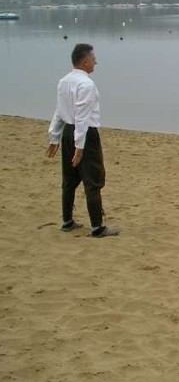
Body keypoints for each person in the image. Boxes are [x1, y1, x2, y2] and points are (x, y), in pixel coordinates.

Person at [46, 43, 119, 238]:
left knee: (69, 180)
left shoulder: (64, 81)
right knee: (93, 181)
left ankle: (67, 221)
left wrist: (55, 136)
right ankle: (97, 227)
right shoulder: (86, 84)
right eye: (93, 59)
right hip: (84, 134)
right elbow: (81, 116)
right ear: (85, 61)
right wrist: (80, 146)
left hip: (69, 132)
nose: (96, 62)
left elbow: (60, 112)